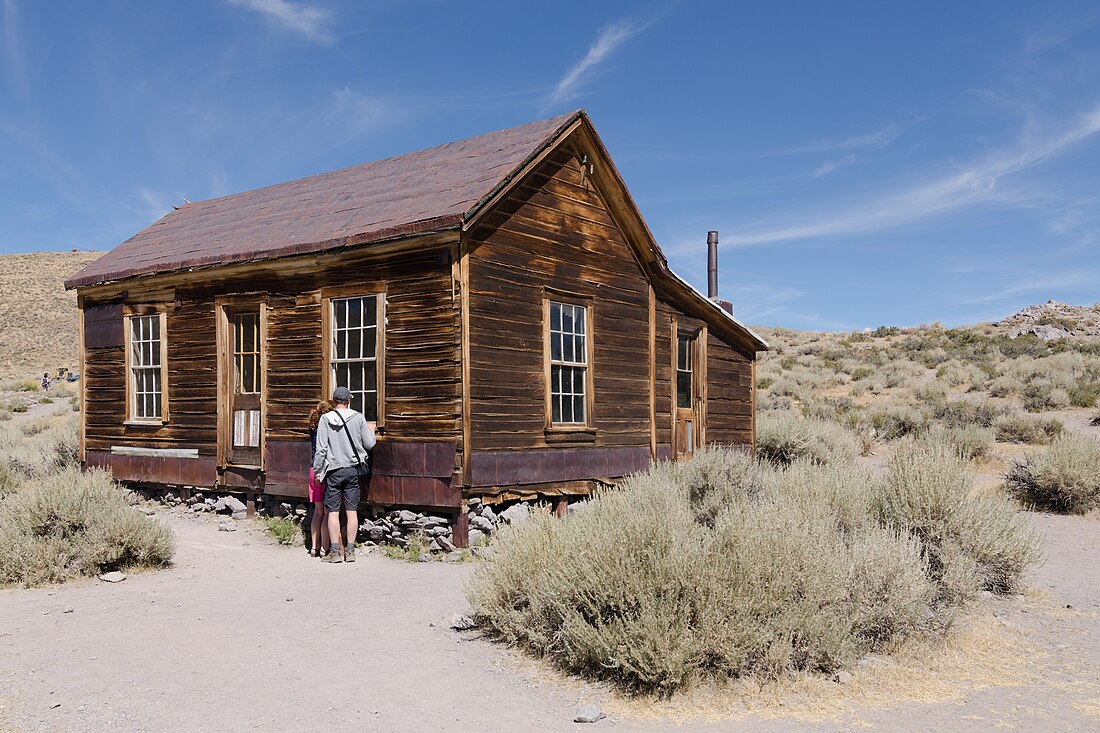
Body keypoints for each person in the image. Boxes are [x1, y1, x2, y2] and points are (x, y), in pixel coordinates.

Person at [312, 386, 376, 563]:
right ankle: (351, 550)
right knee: (351, 511)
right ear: (348, 400)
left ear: (334, 401)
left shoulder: (325, 419)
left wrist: (318, 472)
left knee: (332, 512)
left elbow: (321, 449)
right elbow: (369, 444)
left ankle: (334, 552)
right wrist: (372, 431)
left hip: (333, 470)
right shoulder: (358, 417)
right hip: (353, 469)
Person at [306, 399, 335, 558]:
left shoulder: (312, 428)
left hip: (312, 469)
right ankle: (325, 548)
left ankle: (314, 548)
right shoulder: (327, 430)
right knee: (328, 512)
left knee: (317, 512)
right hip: (324, 471)